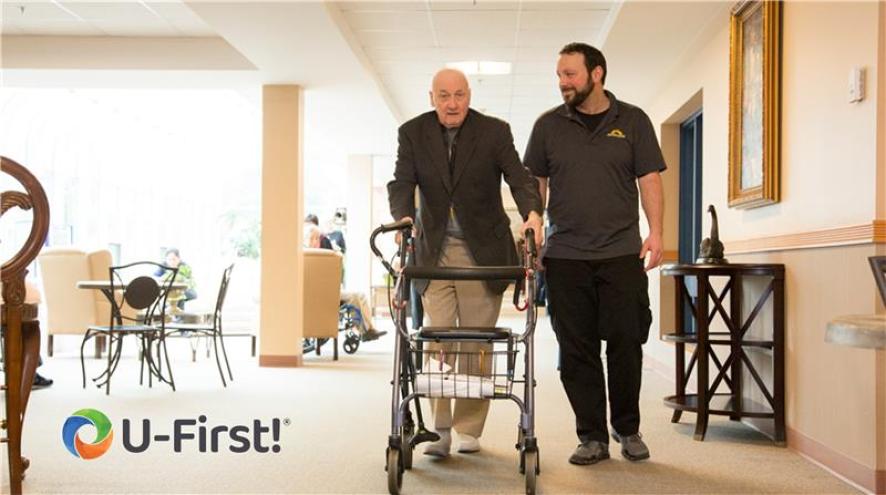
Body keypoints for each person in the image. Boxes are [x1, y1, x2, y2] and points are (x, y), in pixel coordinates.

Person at [388, 68, 543, 457]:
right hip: (434, 251)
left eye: (459, 95)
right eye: (444, 96)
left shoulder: (494, 131)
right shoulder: (413, 132)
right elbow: (402, 182)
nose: (452, 103)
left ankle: (469, 428)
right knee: (437, 339)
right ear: (432, 98)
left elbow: (519, 178)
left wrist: (532, 214)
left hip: (482, 252)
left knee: (476, 340)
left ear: (469, 95)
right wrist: (403, 218)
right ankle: (439, 430)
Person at [523, 42, 665, 465]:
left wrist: (657, 232)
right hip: (565, 254)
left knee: (626, 342)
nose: (563, 82)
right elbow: (536, 184)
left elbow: (649, 179)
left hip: (621, 252)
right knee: (576, 349)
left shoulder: (633, 120)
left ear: (596, 73)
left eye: (570, 74)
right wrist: (534, 225)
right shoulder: (547, 125)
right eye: (559, 75)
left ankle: (627, 428)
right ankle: (592, 436)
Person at [303, 214, 386, 341]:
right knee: (355, 297)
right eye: (312, 238)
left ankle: (369, 329)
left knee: (361, 295)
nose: (316, 241)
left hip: (326, 291)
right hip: (323, 294)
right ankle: (364, 330)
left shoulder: (315, 255)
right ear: (305, 240)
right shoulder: (313, 256)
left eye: (317, 238)